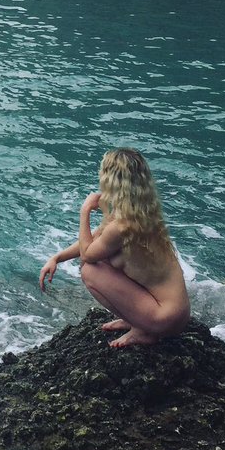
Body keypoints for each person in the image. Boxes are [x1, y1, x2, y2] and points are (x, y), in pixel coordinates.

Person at [39, 148, 190, 348]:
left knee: (90, 269)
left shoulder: (122, 226)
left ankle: (144, 331)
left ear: (111, 180)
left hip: (164, 319)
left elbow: (88, 254)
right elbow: (96, 240)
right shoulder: (141, 213)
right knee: (102, 260)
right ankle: (136, 319)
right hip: (176, 314)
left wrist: (84, 211)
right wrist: (57, 258)